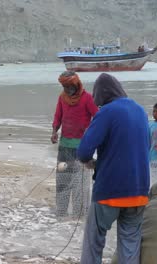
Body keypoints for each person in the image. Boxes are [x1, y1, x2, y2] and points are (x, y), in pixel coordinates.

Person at [77, 73, 150, 264]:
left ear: (101, 96)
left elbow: (84, 151)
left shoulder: (107, 111)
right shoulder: (141, 111)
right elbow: (145, 147)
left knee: (94, 242)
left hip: (109, 191)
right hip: (139, 192)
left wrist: (91, 163)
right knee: (130, 244)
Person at [51, 71, 98, 218]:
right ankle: (61, 212)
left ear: (76, 84)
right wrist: (54, 131)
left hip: (82, 147)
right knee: (62, 180)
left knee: (81, 183)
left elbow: (97, 117)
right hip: (64, 146)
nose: (67, 89)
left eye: (69, 86)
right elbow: (58, 116)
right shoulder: (62, 98)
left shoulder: (87, 98)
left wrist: (92, 137)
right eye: (64, 86)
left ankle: (80, 214)